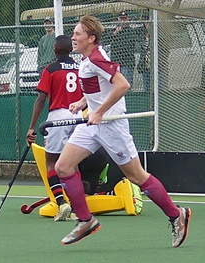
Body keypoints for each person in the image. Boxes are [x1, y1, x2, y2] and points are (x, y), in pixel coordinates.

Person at [53, 15, 190, 248]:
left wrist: (99, 112)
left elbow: (123, 85)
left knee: (136, 176)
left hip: (112, 126)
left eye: (77, 34)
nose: (73, 38)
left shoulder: (96, 58)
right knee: (63, 167)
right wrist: (83, 103)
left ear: (91, 38)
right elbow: (100, 88)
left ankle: (176, 215)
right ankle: (86, 220)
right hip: (93, 125)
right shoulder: (87, 60)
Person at [26, 34, 83, 221]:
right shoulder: (80, 68)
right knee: (72, 163)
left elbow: (41, 99)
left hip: (57, 118)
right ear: (71, 49)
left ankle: (62, 203)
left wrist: (32, 127)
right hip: (78, 117)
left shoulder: (50, 69)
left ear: (55, 50)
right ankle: (76, 208)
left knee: (51, 162)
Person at [111, 12, 144, 86]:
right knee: (115, 86)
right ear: (118, 19)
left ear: (128, 19)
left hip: (127, 63)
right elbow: (106, 40)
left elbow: (132, 42)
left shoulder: (131, 31)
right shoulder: (113, 30)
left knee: (126, 86)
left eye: (125, 19)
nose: (123, 21)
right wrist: (115, 32)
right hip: (116, 64)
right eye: (121, 19)